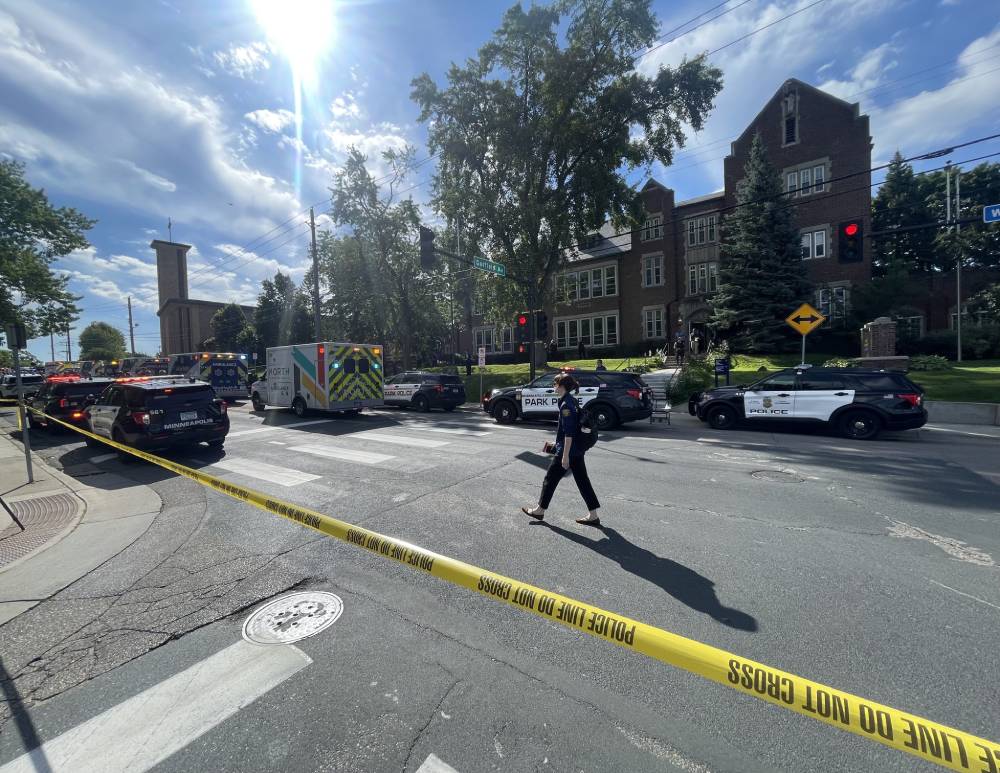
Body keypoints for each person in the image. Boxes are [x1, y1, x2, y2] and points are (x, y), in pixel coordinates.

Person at [521, 373, 601, 526]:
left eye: (555, 383)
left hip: (569, 451)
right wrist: (557, 442)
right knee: (583, 481)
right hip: (576, 450)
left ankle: (540, 510)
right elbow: (570, 430)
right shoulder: (570, 400)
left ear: (561, 386)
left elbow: (569, 432)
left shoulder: (566, 405)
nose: (553, 386)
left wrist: (564, 456)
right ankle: (593, 515)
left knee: (549, 480)